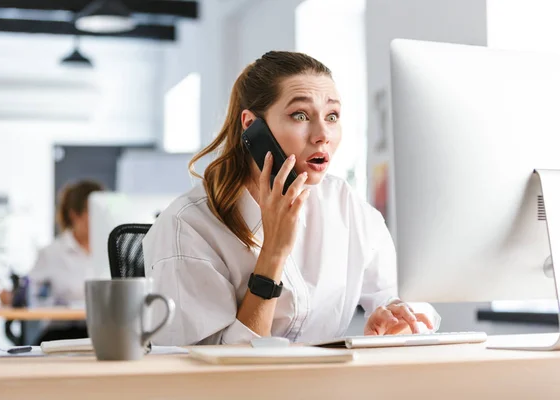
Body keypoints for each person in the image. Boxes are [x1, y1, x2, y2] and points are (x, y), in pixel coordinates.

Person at [142, 51, 440, 346]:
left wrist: (396, 318)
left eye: (332, 116)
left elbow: (404, 301)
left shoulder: (344, 205)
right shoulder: (187, 227)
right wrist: (273, 253)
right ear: (251, 127)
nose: (323, 134)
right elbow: (215, 371)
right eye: (300, 115)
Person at [28, 179, 103, 343]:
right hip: (62, 334)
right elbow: (28, 293)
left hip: (104, 333)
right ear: (75, 215)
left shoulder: (111, 250)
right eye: (94, 213)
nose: (101, 219)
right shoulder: (51, 253)